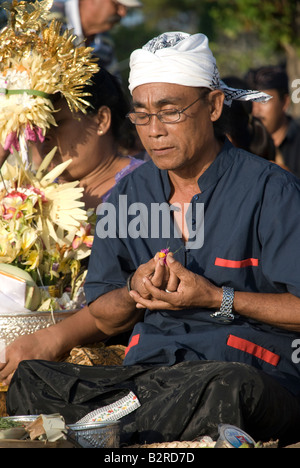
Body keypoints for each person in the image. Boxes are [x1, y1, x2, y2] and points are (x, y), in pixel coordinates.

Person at [7, 32, 300, 448]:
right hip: (152, 375)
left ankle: (112, 424)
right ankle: (129, 419)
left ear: (214, 105)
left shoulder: (271, 190)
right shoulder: (127, 196)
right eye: (142, 116)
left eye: (170, 112)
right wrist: (132, 292)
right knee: (33, 381)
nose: (154, 131)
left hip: (251, 371)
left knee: (228, 387)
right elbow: (105, 313)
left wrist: (217, 299)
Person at [0, 65, 143, 385]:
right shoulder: (26, 192)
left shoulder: (141, 190)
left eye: (56, 122)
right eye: (34, 125)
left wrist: (51, 339)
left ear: (102, 120)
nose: (43, 136)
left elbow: (132, 297)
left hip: (100, 359)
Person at [50, 0, 143, 79]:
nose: (123, 13)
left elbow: (114, 93)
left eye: (126, 8)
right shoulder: (47, 20)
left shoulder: (105, 42)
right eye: (116, 5)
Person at [245, 65, 300, 177]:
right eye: (251, 100)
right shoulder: (243, 142)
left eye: (263, 100)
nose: (255, 109)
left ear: (285, 102)